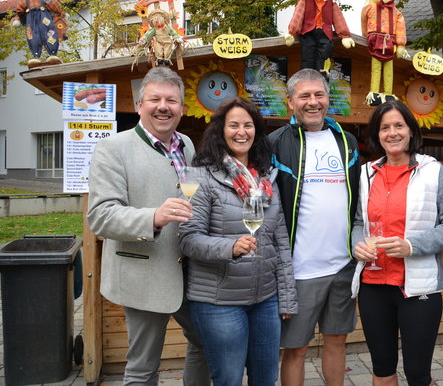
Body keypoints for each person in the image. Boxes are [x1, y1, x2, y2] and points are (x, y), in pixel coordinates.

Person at [87, 67, 210, 385]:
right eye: (155, 99)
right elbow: (100, 216)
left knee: (206, 344)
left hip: (189, 273)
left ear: (182, 108)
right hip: (144, 273)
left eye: (171, 100)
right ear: (140, 104)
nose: (163, 106)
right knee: (143, 366)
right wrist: (153, 217)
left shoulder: (186, 144)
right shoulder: (112, 149)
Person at [179, 98, 297, 385]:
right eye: (234, 125)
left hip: (266, 300)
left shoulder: (267, 178)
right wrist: (230, 247)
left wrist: (287, 298)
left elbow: (280, 240)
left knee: (266, 378)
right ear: (221, 131)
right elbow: (188, 239)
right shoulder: (200, 176)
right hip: (219, 302)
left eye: (248, 125)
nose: (241, 131)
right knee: (229, 379)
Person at [350, 100, 443, 385]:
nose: (392, 133)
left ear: (411, 131)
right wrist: (357, 245)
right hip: (373, 286)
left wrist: (412, 246)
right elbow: (355, 224)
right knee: (382, 368)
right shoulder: (365, 175)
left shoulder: (433, 171)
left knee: (417, 373)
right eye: (385, 127)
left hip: (418, 289)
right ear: (377, 134)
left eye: (399, 126)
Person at [270, 68, 360, 386]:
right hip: (299, 270)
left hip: (343, 267)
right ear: (290, 101)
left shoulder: (347, 142)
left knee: (337, 342)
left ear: (327, 98)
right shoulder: (276, 143)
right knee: (296, 349)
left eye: (319, 94)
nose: (313, 102)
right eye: (304, 96)